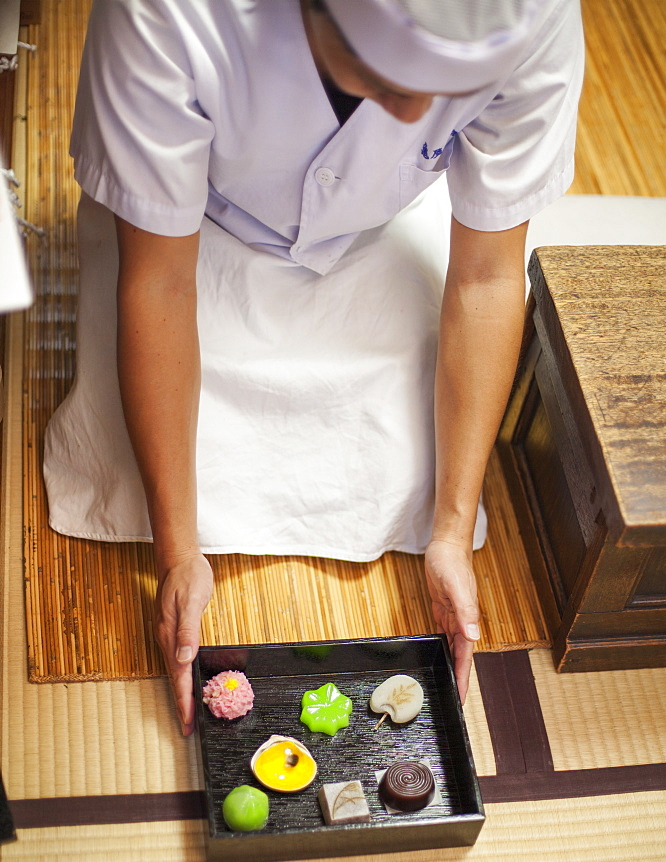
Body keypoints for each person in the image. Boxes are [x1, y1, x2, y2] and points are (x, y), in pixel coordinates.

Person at [44, 0, 584, 734]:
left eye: (447, 93)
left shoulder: (540, 14)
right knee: (117, 462)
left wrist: (451, 532)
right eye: (383, 77)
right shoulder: (165, 13)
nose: (416, 111)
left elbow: (488, 276)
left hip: (378, 233)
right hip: (191, 232)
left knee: (414, 470)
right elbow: (160, 286)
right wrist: (178, 551)